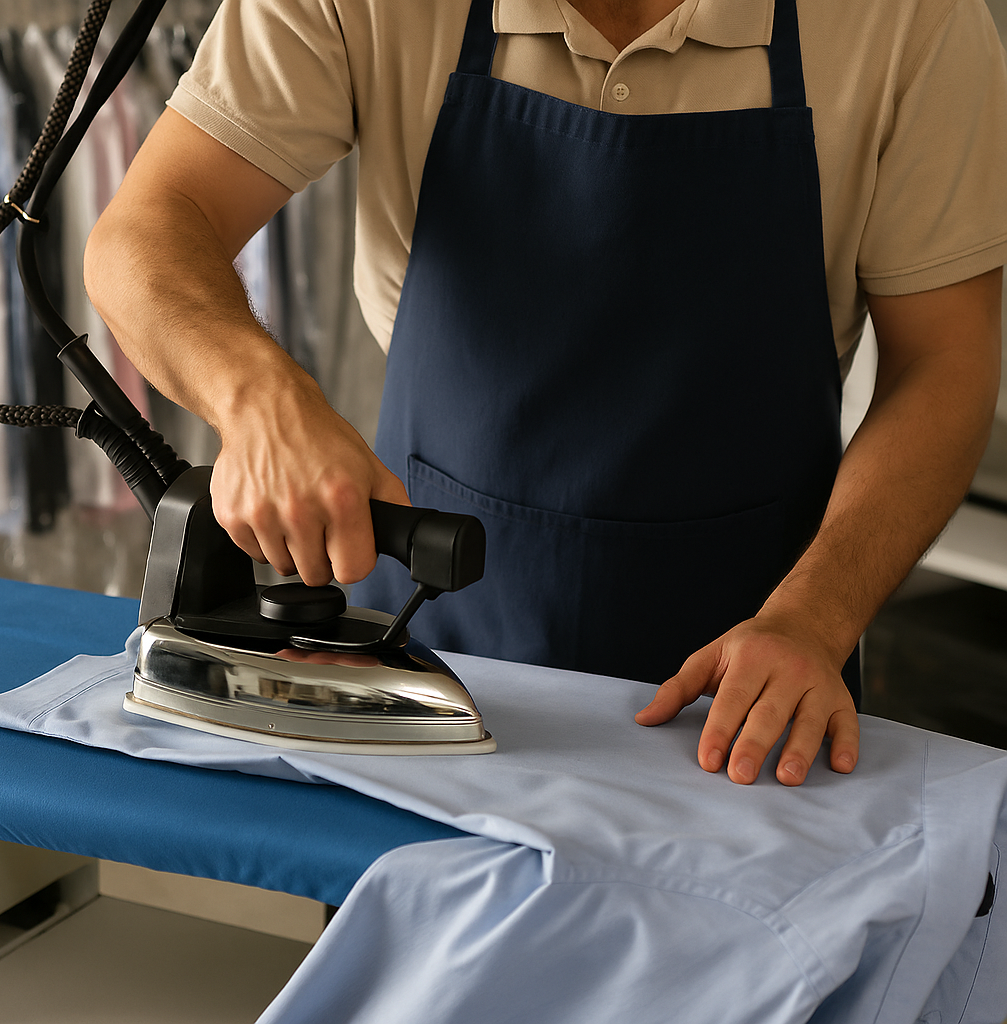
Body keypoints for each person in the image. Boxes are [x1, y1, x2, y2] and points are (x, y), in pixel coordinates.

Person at [84, 0, 1006, 787]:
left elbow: (945, 364)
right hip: (423, 666)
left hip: (752, 694)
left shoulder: (912, 20)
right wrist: (260, 399)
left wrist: (817, 616)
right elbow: (144, 233)